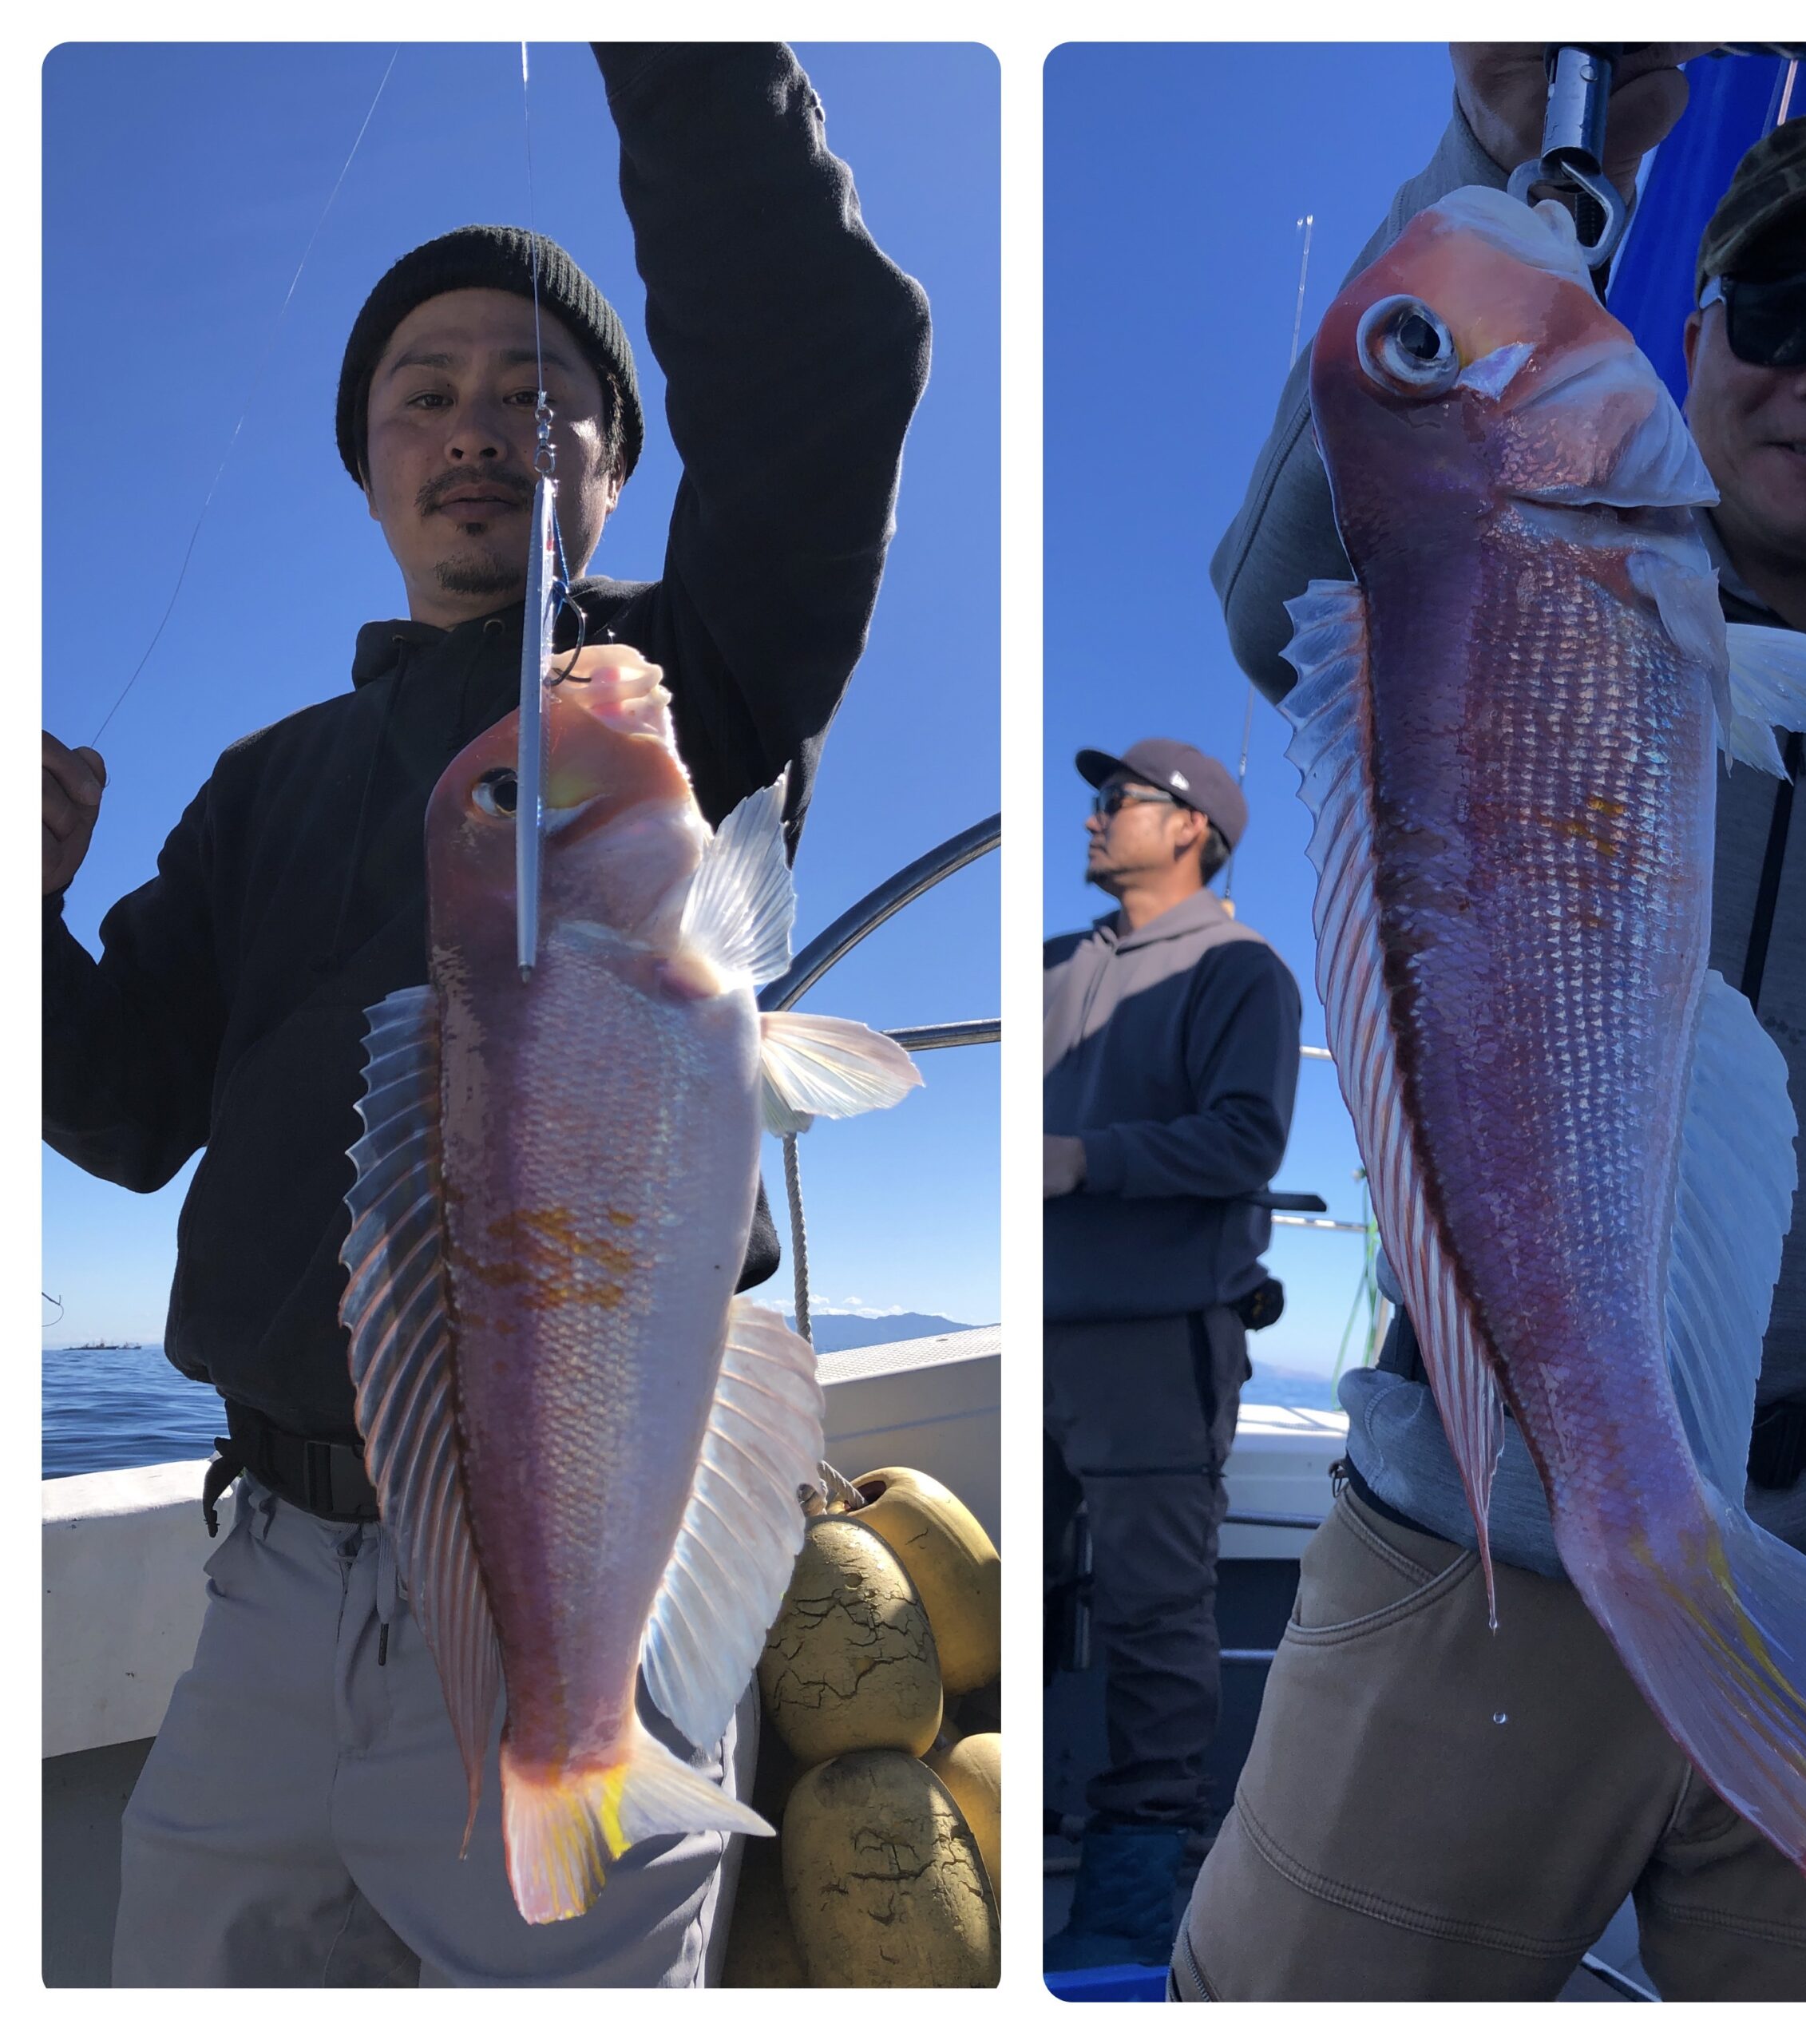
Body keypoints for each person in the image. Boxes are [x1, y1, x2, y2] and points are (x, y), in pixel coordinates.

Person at [42, 43, 930, 1987]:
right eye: (423, 396)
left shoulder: (691, 686)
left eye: (539, 392)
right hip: (269, 1594)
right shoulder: (262, 784)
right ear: (366, 467)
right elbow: (119, 1109)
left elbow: (827, 358)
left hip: (601, 1551)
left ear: (616, 461)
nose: (477, 428)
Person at [1174, 49, 1806, 2002]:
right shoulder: (1446, 588)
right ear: (1687, 338)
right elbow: (1325, 509)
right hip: (1466, 1537)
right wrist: (1497, 149)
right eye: (1783, 308)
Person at [1044, 739, 1303, 1971]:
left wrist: (1083, 1159)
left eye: (1117, 800)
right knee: (1003, 1590)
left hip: (1156, 1346)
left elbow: (1248, 1140)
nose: (1093, 817)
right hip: (1039, 1330)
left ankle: (1124, 1920)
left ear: (1192, 828)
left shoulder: (1242, 971)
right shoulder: (1051, 964)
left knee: (1153, 1620)